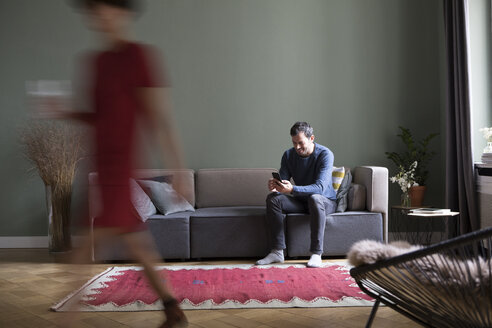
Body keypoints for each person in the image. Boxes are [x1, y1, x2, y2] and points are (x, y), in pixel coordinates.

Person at [34, 0, 188, 327]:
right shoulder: (96, 61)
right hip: (100, 166)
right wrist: (65, 112)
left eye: (105, 7)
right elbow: (98, 117)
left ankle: (70, 319)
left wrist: (178, 168)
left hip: (120, 167)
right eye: (94, 10)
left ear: (122, 12)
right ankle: (173, 309)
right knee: (136, 242)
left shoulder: (139, 57)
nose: (99, 15)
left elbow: (160, 119)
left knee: (87, 244)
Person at [256, 122, 337, 268]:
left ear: (311, 138)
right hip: (301, 202)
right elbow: (284, 180)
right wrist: (276, 185)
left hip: (325, 202)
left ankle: (316, 253)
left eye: (301, 143)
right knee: (273, 199)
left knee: (315, 198)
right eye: (294, 143)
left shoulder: (325, 154)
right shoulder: (288, 155)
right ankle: (277, 251)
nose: (297, 147)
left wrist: (292, 189)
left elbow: (319, 188)